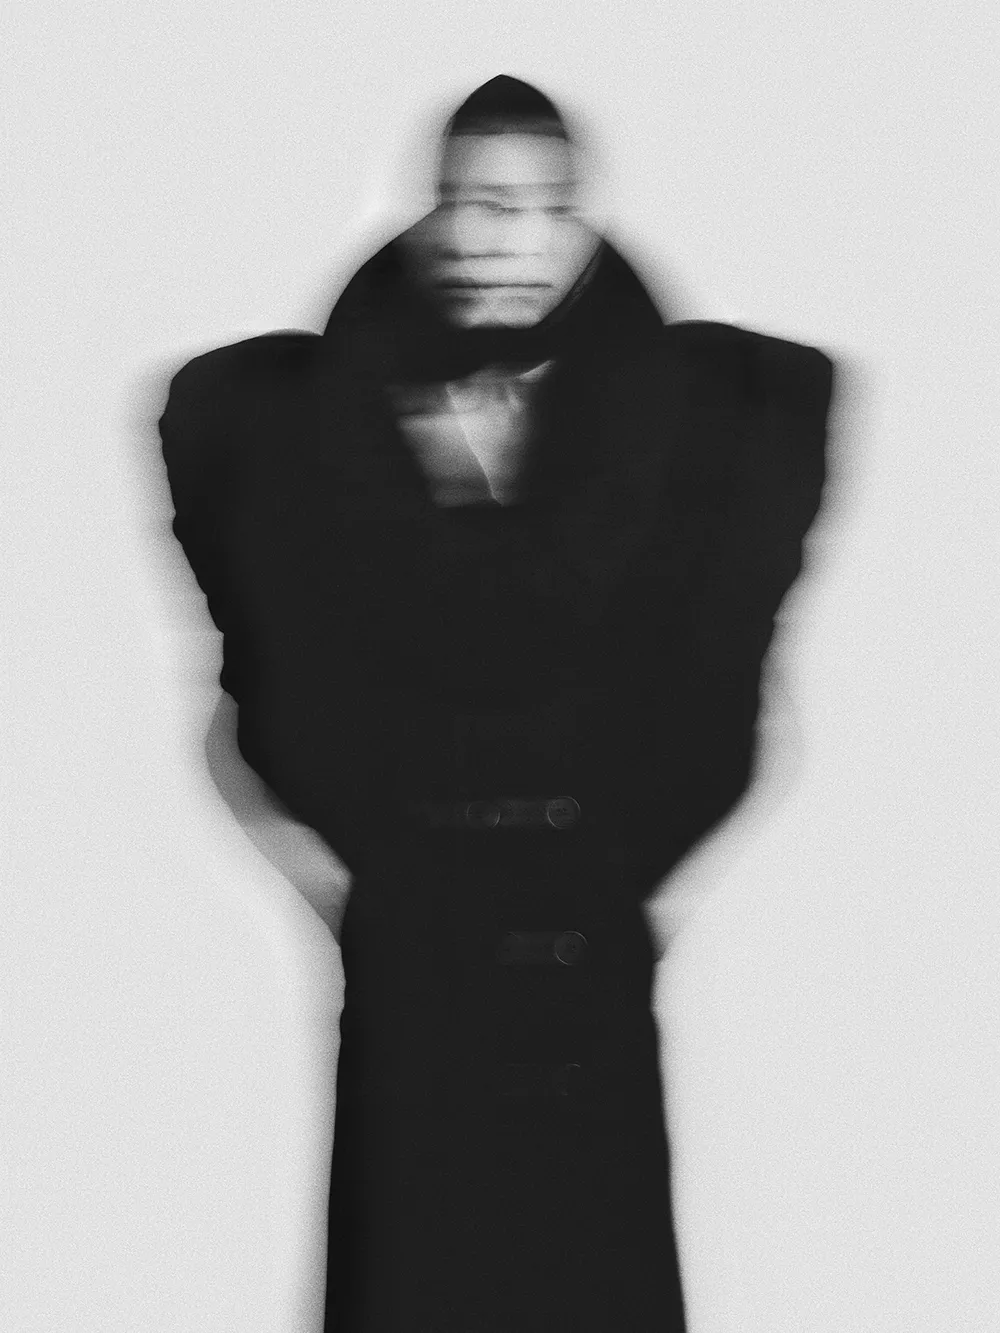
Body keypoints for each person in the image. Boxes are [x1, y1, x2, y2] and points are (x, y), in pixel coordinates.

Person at [159, 74, 836, 1333]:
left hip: (596, 920)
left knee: (594, 1273)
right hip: (407, 928)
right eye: (465, 200)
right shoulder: (267, 418)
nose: (492, 238)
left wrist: (653, 891)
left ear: (581, 223)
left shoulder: (732, 416)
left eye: (534, 206)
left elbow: (762, 688)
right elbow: (231, 691)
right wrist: (335, 887)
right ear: (424, 215)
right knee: (409, 1271)